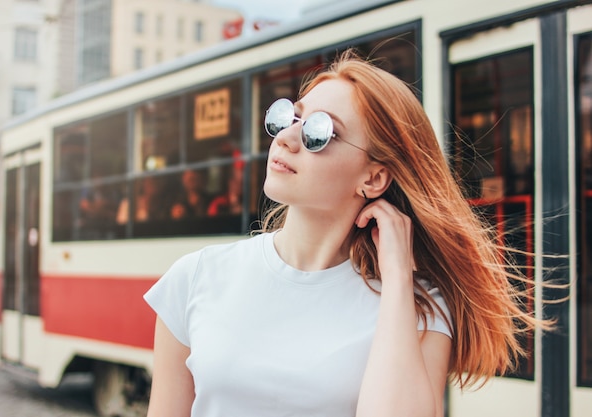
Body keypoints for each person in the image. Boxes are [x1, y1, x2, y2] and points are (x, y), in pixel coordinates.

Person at [143, 50, 550, 417]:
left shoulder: (418, 307)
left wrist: (396, 277)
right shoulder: (194, 277)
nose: (286, 138)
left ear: (374, 178)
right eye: (288, 117)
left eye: (318, 132)